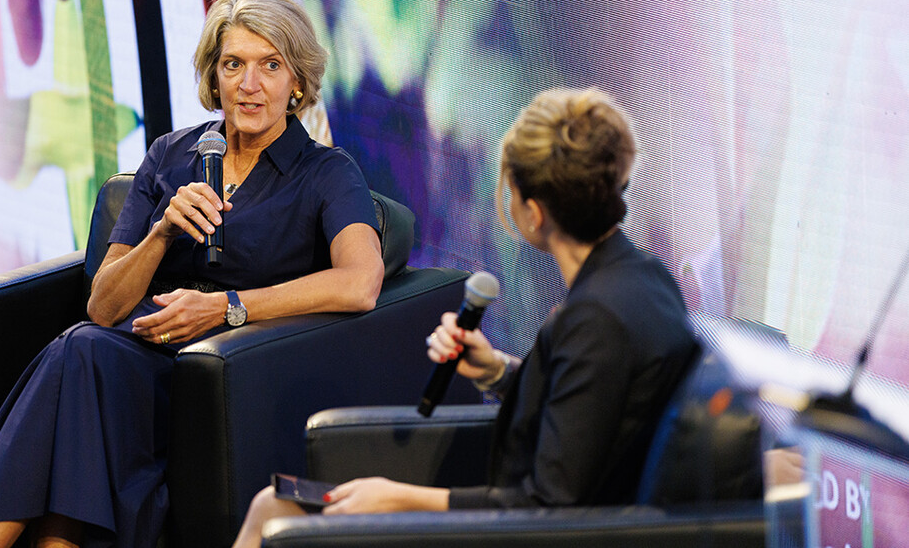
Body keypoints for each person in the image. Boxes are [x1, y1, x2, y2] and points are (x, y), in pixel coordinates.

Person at [0, 0, 385, 548]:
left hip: (232, 369)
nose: (250, 85)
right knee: (84, 351)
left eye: (270, 65)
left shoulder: (327, 172)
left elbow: (361, 283)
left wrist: (228, 308)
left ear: (296, 80)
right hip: (137, 353)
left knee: (79, 356)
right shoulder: (171, 156)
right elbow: (104, 306)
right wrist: (162, 232)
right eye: (234, 65)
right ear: (215, 76)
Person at [232, 87, 698, 546]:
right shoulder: (643, 276)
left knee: (275, 516)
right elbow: (585, 416)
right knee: (271, 507)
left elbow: (546, 508)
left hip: (522, 533)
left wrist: (399, 498)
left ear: (533, 213)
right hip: (521, 514)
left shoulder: (599, 318)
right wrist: (497, 370)